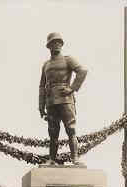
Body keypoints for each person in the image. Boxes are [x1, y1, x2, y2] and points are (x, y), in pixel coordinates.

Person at [39, 32, 87, 165]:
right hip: (51, 101)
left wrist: (72, 88)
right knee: (53, 132)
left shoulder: (68, 59)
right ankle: (52, 159)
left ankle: (75, 158)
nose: (56, 45)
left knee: (70, 129)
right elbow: (41, 86)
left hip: (65, 99)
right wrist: (41, 106)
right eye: (53, 43)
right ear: (49, 46)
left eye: (59, 42)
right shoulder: (46, 65)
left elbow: (82, 71)